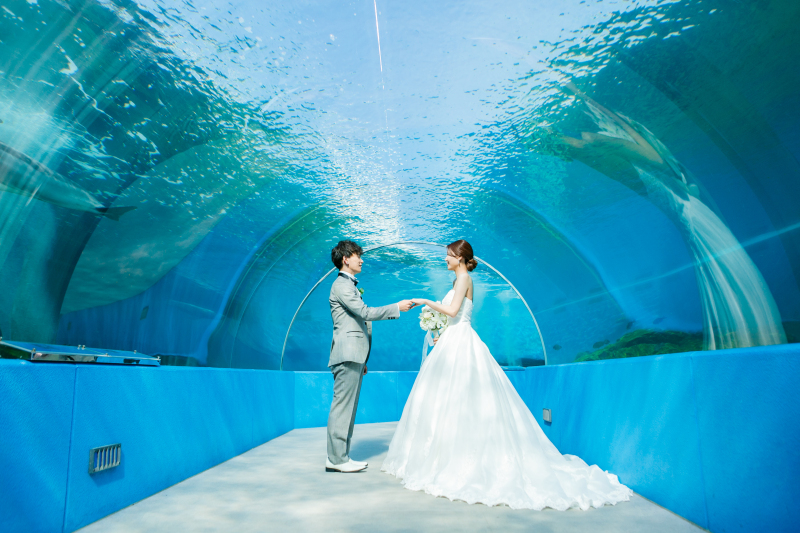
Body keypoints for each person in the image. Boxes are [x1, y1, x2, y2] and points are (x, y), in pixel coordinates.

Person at [381, 239, 632, 509]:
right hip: (452, 341)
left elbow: (453, 311)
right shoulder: (458, 280)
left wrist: (426, 301)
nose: (446, 259)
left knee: (464, 398)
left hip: (462, 341)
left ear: (461, 258)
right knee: (448, 400)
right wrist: (439, 331)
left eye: (449, 255)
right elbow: (452, 316)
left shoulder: (464, 278)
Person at [326, 240, 415, 473]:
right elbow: (364, 313)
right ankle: (336, 459)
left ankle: (341, 456)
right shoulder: (342, 285)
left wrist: (363, 359)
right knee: (342, 408)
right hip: (347, 355)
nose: (361, 259)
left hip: (355, 356)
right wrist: (397, 307)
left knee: (349, 409)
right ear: (346, 259)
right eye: (357, 255)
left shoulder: (349, 285)